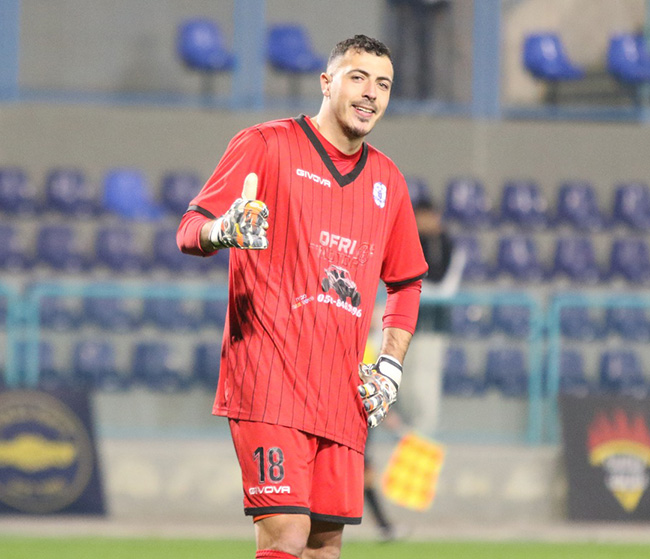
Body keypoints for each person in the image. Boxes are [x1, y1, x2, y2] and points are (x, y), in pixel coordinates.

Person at [177, 34, 428, 559]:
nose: (371, 93)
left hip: (343, 394)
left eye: (383, 84)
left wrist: (390, 367)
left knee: (323, 546)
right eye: (358, 78)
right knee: (286, 532)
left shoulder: (388, 180)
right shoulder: (265, 145)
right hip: (268, 382)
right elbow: (189, 229)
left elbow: (406, 281)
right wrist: (223, 230)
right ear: (326, 82)